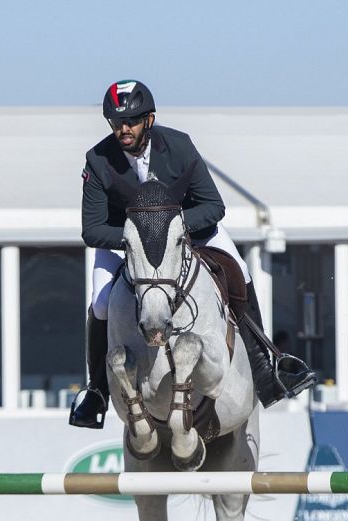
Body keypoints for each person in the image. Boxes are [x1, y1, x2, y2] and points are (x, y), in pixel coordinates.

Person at [69, 80, 315, 429]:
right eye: (117, 122)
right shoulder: (97, 160)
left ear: (149, 120)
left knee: (240, 270)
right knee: (102, 304)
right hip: (127, 245)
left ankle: (267, 367)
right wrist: (136, 237)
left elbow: (214, 206)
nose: (123, 129)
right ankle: (96, 391)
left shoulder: (180, 147)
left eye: (132, 121)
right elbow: (92, 230)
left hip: (189, 235)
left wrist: (174, 228)